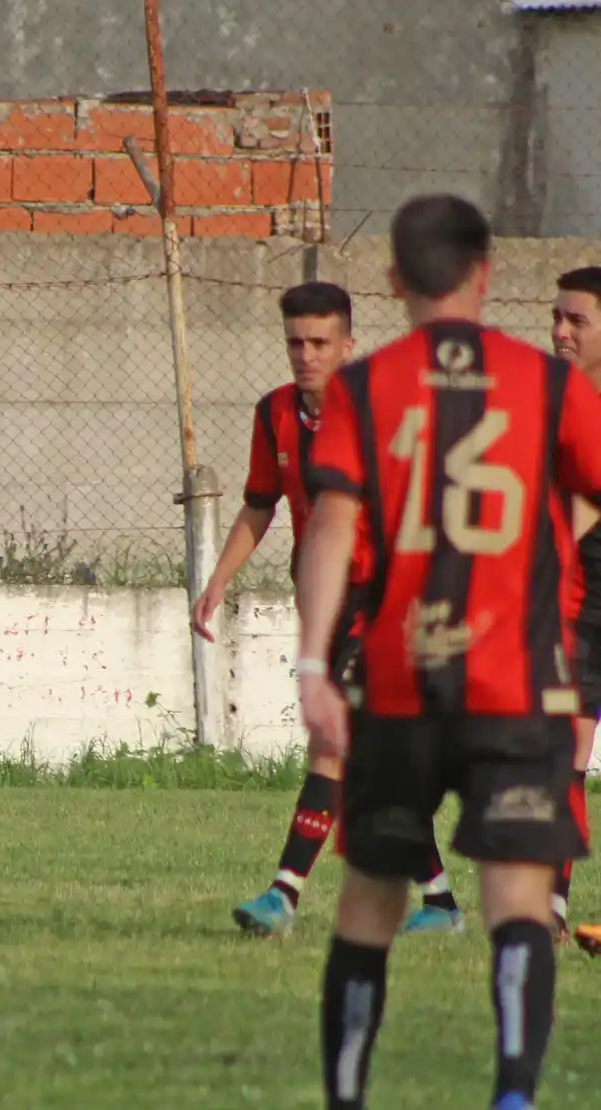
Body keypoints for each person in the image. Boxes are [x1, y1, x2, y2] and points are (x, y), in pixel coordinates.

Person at [297, 193, 601, 1110]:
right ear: (486, 275)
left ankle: (347, 1097)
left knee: (369, 904)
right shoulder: (550, 386)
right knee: (516, 902)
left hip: (397, 686)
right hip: (517, 686)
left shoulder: (359, 387)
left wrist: (313, 664)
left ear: (393, 282)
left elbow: (328, 524)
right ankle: (512, 1095)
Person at [192, 282, 463, 937]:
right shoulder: (275, 415)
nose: (305, 355)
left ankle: (283, 895)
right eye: (294, 342)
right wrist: (217, 582)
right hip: (326, 607)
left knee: (333, 747)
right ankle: (441, 902)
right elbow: (261, 503)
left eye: (319, 342)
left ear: (349, 344)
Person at [551, 267, 601, 952]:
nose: (560, 331)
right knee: (563, 756)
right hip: (581, 601)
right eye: (555, 317)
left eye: (577, 321)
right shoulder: (551, 401)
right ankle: (553, 913)